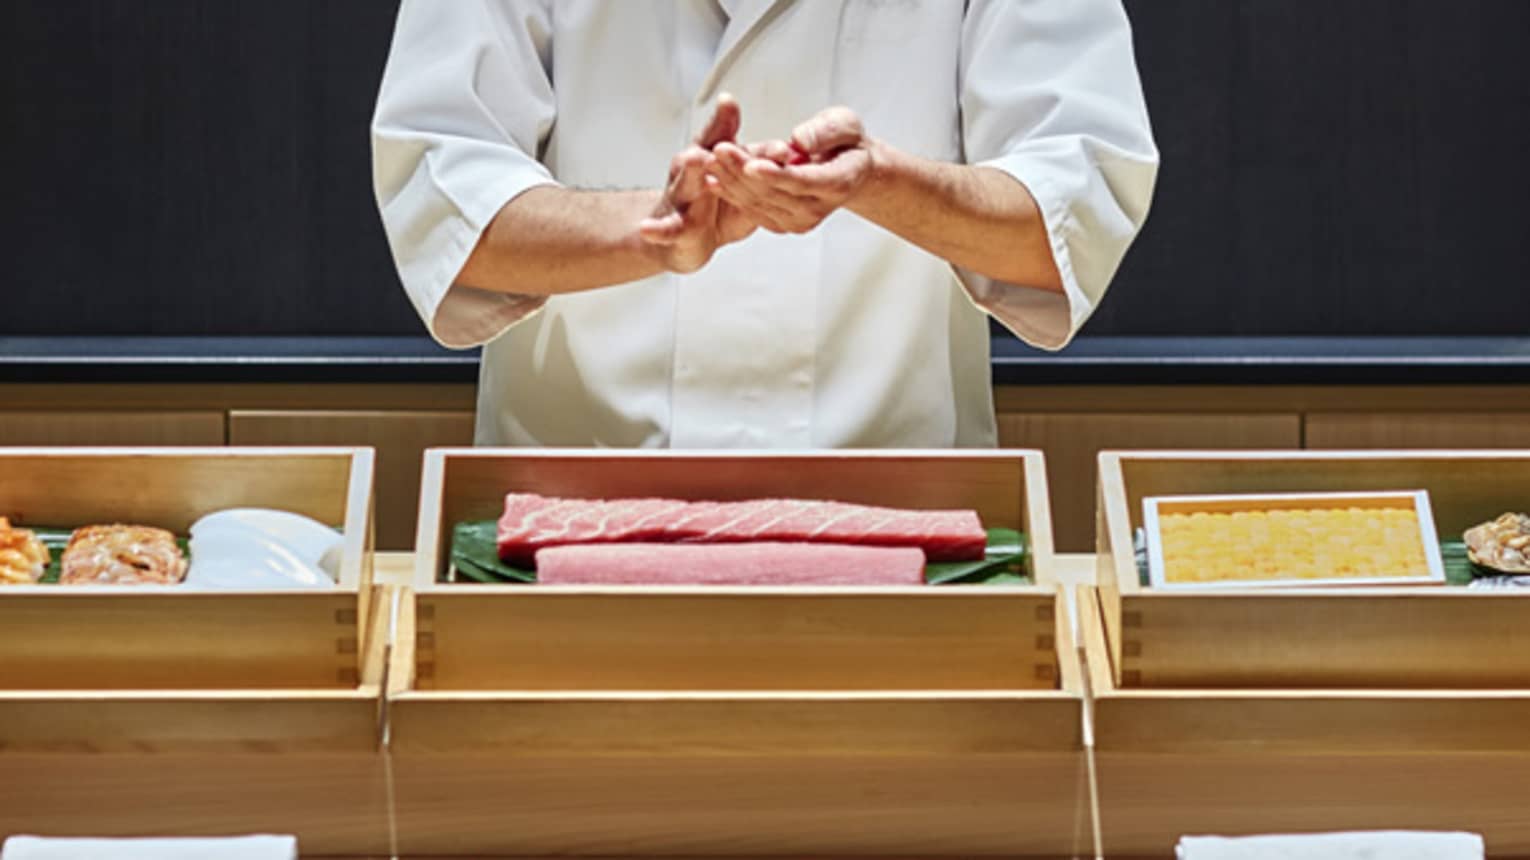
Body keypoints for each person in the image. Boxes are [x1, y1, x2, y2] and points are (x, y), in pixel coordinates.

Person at [372, 1, 1158, 448]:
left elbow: (1073, 212)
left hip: (897, 510)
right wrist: (649, 230)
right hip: (575, 502)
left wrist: (882, 182)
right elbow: (443, 195)